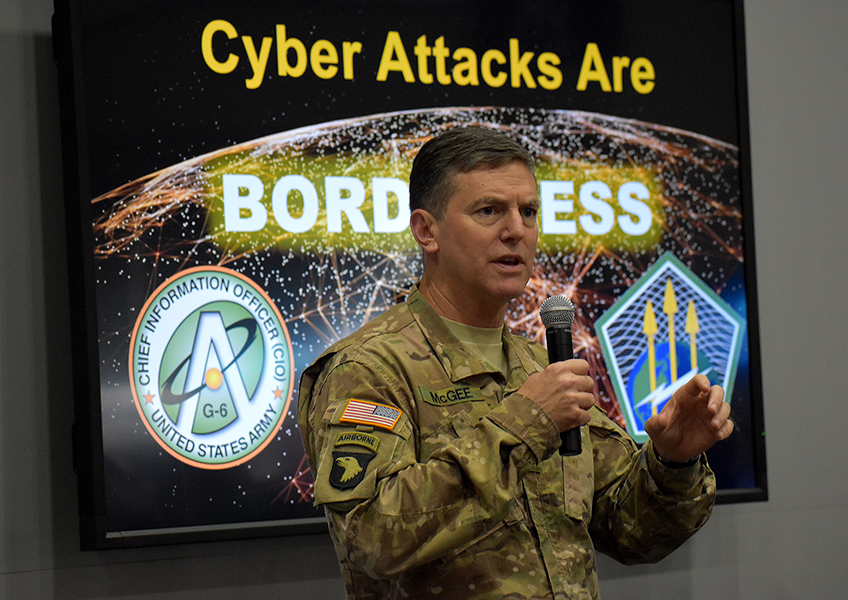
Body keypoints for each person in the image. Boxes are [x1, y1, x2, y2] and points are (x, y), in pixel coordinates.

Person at [297, 126, 734, 600]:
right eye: (489, 211)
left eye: (528, 212)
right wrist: (525, 422)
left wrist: (672, 461)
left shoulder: (542, 367)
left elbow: (631, 531)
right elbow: (371, 539)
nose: (516, 230)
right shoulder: (369, 368)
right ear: (427, 230)